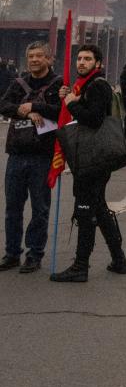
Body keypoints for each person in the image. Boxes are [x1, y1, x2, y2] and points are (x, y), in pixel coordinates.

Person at [50, 45, 126, 282]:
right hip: (91, 157)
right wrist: (68, 98)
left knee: (85, 210)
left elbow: (94, 119)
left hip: (93, 159)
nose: (81, 63)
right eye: (79, 59)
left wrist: (73, 103)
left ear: (98, 63)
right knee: (98, 208)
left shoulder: (97, 85)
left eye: (87, 59)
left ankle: (80, 266)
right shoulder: (83, 86)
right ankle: (119, 260)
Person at [0, 42, 62, 273]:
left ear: (49, 59)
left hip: (43, 156)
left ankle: (34, 254)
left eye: (39, 56)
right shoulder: (18, 83)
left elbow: (60, 111)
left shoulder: (58, 84)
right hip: (16, 154)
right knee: (12, 208)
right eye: (31, 56)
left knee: (40, 209)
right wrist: (23, 110)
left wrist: (36, 106)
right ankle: (11, 253)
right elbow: (4, 105)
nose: (34, 60)